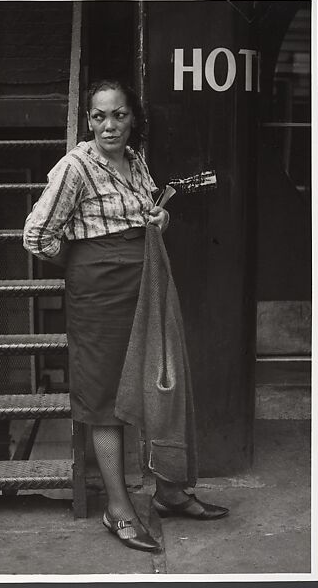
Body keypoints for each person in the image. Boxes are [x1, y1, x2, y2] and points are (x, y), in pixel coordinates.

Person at [23, 79, 228, 552]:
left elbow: (148, 211)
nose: (108, 125)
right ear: (88, 120)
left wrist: (161, 220)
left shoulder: (135, 161)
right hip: (99, 296)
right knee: (104, 398)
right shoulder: (75, 167)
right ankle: (117, 509)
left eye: (118, 115)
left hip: (146, 285)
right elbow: (36, 236)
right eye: (99, 116)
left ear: (132, 119)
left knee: (159, 382)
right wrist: (84, 263)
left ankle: (171, 492)